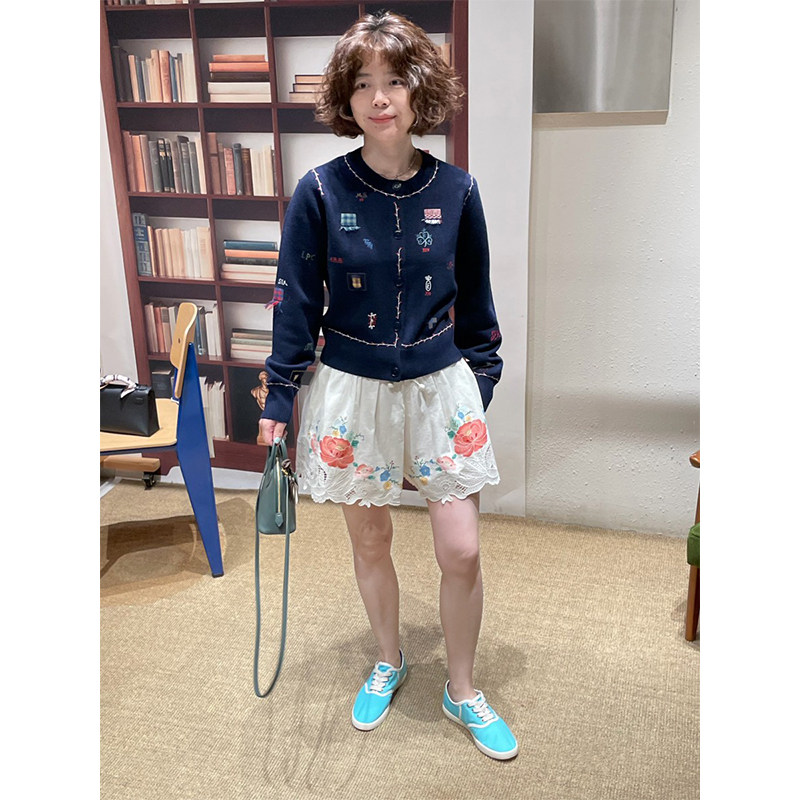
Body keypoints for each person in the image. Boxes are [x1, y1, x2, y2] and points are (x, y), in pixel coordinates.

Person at [258, 11, 517, 761]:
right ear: (346, 98)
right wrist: (279, 396)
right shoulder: (319, 191)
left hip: (441, 390)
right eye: (364, 83)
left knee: (461, 550)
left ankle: (462, 688)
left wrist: (477, 386)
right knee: (370, 540)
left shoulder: (458, 190)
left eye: (395, 80)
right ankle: (389, 659)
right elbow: (294, 300)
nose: (380, 97)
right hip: (351, 391)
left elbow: (479, 304)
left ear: (418, 91)